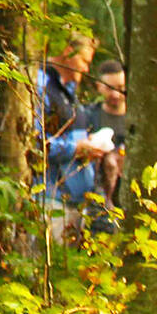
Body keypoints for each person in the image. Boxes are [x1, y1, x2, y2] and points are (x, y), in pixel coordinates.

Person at [34, 35, 107, 238]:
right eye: (84, 62)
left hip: (75, 202)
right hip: (50, 200)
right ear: (68, 52)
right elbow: (35, 143)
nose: (86, 70)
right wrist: (76, 148)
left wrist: (89, 147)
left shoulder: (70, 91)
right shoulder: (41, 86)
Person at [82, 59, 128, 214]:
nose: (116, 94)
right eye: (109, 88)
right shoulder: (87, 117)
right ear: (98, 87)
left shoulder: (137, 119)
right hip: (96, 203)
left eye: (121, 88)